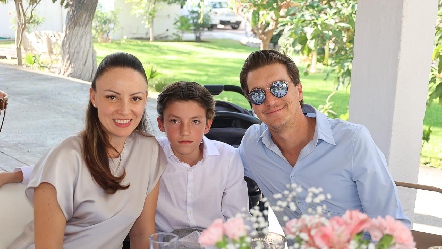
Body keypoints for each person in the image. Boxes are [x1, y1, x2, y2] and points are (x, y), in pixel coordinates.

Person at [5, 52, 167, 249]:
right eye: (112, 97)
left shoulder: (150, 151)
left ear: (145, 101)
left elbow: (142, 234)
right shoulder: (65, 158)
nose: (125, 110)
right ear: (94, 97)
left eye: (135, 98)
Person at [237, 50, 411, 229]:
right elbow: (217, 164)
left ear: (299, 90)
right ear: (252, 106)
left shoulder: (352, 142)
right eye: (258, 94)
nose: (270, 100)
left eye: (279, 87)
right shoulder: (253, 147)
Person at [154, 81, 249, 233]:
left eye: (195, 121)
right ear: (161, 124)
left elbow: (238, 220)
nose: (185, 131)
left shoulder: (228, 158)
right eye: (174, 121)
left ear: (207, 125)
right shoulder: (150, 155)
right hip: (166, 247)